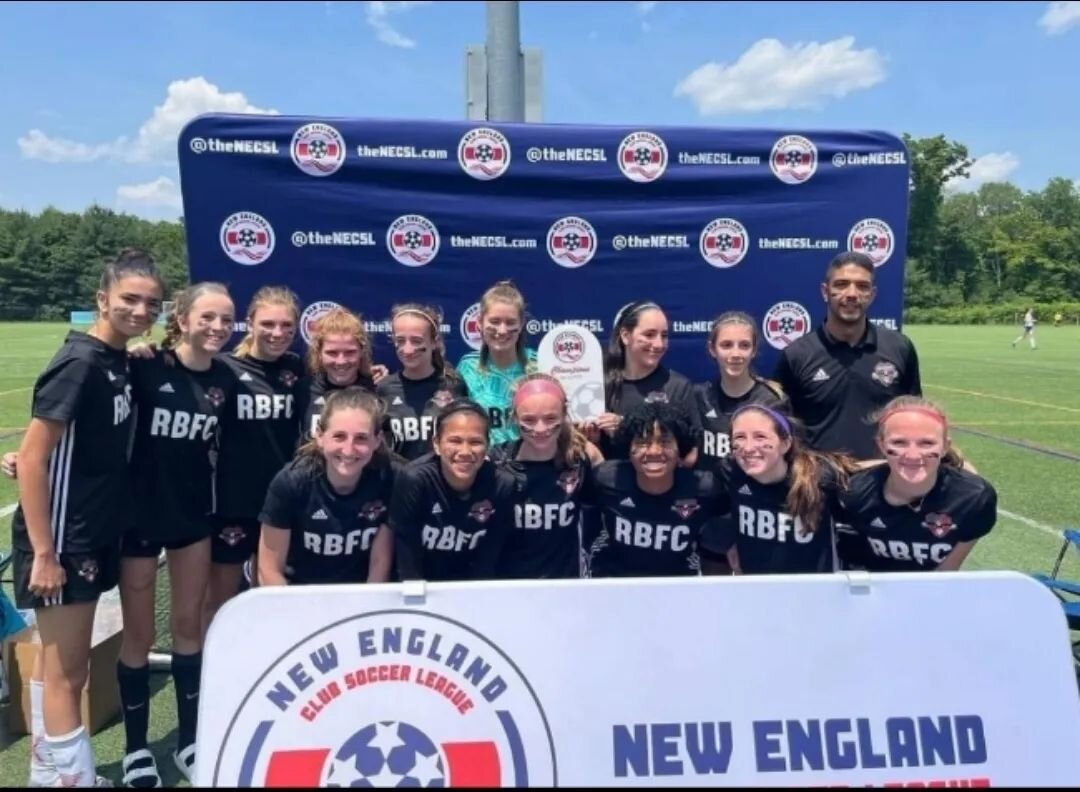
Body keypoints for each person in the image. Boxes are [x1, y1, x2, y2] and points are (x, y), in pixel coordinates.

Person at [10, 248, 163, 787]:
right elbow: (32, 457)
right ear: (102, 298)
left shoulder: (114, 358)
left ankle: (48, 776)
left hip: (95, 533)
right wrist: (45, 555)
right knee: (66, 674)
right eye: (129, 299)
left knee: (58, 667)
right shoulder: (78, 362)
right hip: (62, 542)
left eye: (151, 303)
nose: (141, 310)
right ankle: (72, 779)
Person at [115, 282, 236, 786]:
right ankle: (136, 748)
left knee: (189, 628)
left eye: (226, 320)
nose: (217, 327)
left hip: (192, 518)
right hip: (139, 518)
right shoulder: (143, 365)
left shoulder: (226, 379)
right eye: (207, 317)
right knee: (139, 636)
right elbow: (95, 419)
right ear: (181, 319)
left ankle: (190, 741)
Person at [207, 286, 305, 623]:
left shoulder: (298, 370)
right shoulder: (222, 368)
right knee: (222, 602)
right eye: (268, 324)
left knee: (274, 596)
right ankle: (216, 670)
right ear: (249, 323)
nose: (277, 334)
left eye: (286, 326)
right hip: (234, 501)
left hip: (281, 504)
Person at [772, 251, 922, 461]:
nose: (851, 293)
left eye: (862, 286)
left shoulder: (899, 347)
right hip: (819, 481)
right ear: (825, 292)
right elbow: (781, 426)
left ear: (872, 294)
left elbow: (915, 417)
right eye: (841, 284)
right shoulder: (797, 354)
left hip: (882, 480)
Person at [836, 396, 997, 572]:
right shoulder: (852, 492)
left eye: (926, 443)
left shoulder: (972, 499)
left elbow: (945, 572)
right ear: (881, 445)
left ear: (944, 447)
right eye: (899, 442)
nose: (913, 455)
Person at [258, 387, 395, 586]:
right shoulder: (291, 483)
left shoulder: (390, 479)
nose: (348, 450)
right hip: (299, 594)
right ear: (320, 436)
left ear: (377, 440)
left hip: (361, 596)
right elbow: (269, 570)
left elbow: (379, 566)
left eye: (361, 438)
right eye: (339, 436)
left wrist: (365, 612)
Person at [702, 404, 857, 576]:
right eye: (739, 437)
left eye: (760, 437)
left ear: (785, 444)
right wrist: (731, 542)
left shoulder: (819, 477)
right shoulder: (730, 472)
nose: (748, 448)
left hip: (814, 591)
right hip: (756, 589)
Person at [584, 401, 727, 578]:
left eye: (665, 441)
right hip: (613, 584)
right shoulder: (606, 479)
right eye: (643, 442)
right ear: (628, 447)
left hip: (678, 585)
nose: (654, 451)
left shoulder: (704, 488)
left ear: (680, 448)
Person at [489, 374, 603, 579]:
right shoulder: (495, 463)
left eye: (550, 418)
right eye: (529, 420)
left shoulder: (581, 459)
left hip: (566, 585)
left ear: (565, 413)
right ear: (514, 417)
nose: (540, 429)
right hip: (509, 586)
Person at [389, 399, 516, 581]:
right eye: (455, 441)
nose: (465, 451)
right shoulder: (414, 480)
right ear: (436, 444)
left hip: (471, 589)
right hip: (423, 587)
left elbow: (490, 558)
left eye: (475, 442)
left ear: (487, 445)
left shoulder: (502, 484)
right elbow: (407, 558)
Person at [588, 301, 701, 464]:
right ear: (626, 336)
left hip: (661, 487)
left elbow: (692, 455)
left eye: (664, 335)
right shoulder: (597, 385)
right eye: (649, 335)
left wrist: (627, 429)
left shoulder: (678, 386)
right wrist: (593, 441)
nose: (659, 344)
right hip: (607, 487)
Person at [695, 311, 789, 465]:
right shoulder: (699, 397)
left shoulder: (772, 401)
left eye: (744, 345)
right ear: (712, 349)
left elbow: (783, 461)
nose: (736, 354)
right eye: (726, 345)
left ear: (753, 351)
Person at [378, 303, 469, 461]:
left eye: (416, 341)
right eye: (400, 340)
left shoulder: (454, 385)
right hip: (400, 482)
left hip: (442, 481)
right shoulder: (384, 388)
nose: (407, 349)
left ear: (434, 342)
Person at [456, 281, 537, 445]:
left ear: (521, 324)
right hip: (484, 464)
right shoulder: (467, 368)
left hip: (528, 462)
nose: (502, 330)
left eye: (510, 322)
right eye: (494, 321)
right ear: (479, 323)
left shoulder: (538, 365)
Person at [300, 307, 376, 441]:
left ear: (361, 352)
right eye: (332, 353)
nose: (341, 361)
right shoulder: (302, 391)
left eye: (350, 352)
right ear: (319, 354)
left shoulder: (377, 391)